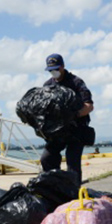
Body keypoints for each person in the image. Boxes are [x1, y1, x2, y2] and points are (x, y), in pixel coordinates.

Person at [40, 53, 94, 184]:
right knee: (47, 157)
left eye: (56, 69)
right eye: (51, 70)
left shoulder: (76, 82)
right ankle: (54, 188)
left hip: (76, 129)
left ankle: (74, 192)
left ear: (63, 66)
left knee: (72, 161)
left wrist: (73, 115)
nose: (54, 72)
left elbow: (89, 106)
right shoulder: (47, 86)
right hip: (58, 131)